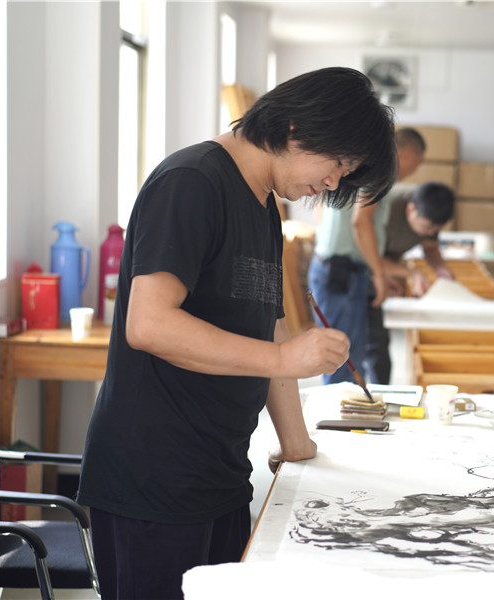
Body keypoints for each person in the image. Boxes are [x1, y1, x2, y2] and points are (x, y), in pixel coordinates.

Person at [76, 67, 397, 600]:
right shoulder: (192, 181)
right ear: (296, 128)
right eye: (338, 164)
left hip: (220, 470)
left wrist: (296, 445)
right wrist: (285, 359)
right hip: (155, 477)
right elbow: (149, 324)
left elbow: (268, 324)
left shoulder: (264, 204)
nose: (333, 183)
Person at [308, 127, 425, 385]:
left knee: (349, 356)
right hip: (341, 273)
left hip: (342, 269)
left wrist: (375, 271)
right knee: (342, 361)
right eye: (418, 162)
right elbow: (361, 223)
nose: (416, 169)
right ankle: (339, 412)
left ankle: (347, 409)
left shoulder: (367, 168)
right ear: (407, 154)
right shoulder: (380, 170)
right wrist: (379, 274)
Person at [364, 181, 457, 384]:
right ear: (410, 209)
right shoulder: (385, 205)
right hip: (356, 266)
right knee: (358, 339)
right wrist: (411, 274)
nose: (429, 233)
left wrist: (441, 270)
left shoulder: (432, 209)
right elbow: (369, 255)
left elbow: (430, 248)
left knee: (378, 341)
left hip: (382, 265)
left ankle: (380, 392)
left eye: (435, 230)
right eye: (425, 227)